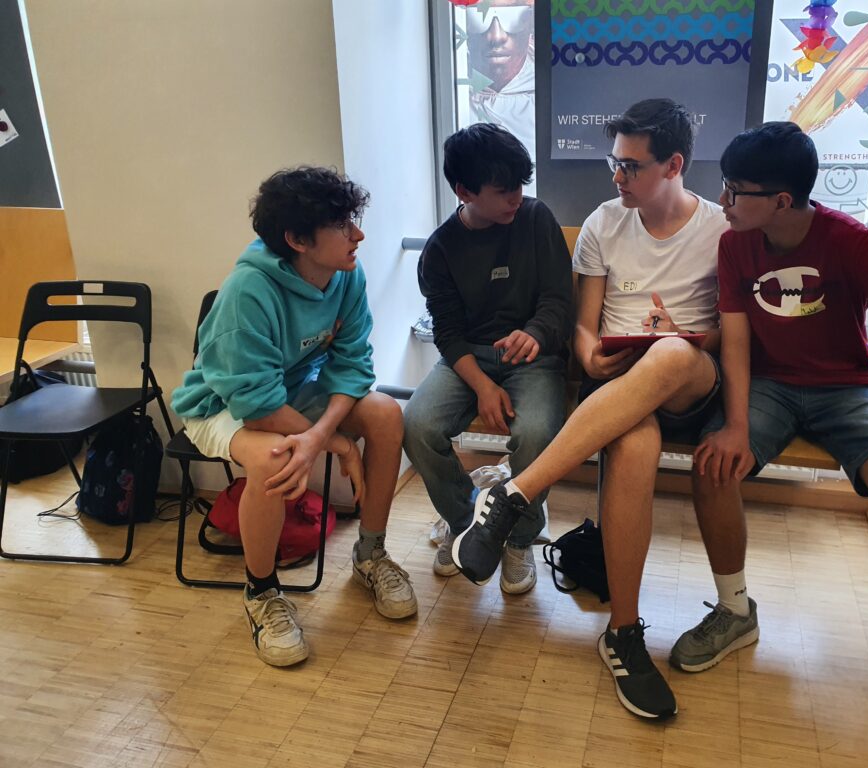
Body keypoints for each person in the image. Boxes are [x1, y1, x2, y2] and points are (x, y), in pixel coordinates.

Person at [675, 121, 868, 743]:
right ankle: (734, 611)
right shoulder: (736, 244)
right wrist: (736, 426)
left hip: (847, 389)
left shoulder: (850, 241)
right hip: (770, 386)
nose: (722, 200)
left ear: (782, 201)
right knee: (713, 465)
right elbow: (736, 341)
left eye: (735, 190)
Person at [451, 99, 728, 719]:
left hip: (692, 379)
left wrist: (682, 337)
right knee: (632, 444)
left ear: (673, 165)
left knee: (671, 354)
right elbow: (583, 324)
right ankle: (623, 633)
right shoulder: (606, 221)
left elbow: (728, 335)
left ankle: (514, 493)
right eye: (614, 163)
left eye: (631, 166)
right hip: (620, 386)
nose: (617, 176)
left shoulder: (718, 230)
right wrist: (589, 354)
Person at [171, 167, 417, 668]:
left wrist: (324, 435)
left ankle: (370, 554)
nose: (358, 235)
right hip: (223, 404)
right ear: (298, 241)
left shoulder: (346, 273)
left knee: (386, 414)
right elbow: (256, 405)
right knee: (273, 458)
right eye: (342, 225)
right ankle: (261, 593)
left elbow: (353, 365)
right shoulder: (248, 291)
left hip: (295, 391)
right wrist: (336, 443)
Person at [403, 123, 573, 595]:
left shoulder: (535, 219)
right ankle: (466, 525)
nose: (516, 197)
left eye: (520, 185)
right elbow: (448, 333)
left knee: (535, 433)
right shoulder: (440, 250)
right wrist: (482, 385)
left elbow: (559, 300)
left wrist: (534, 333)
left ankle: (519, 538)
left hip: (534, 358)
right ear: (464, 192)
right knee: (416, 424)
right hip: (468, 360)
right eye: (503, 191)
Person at [465, 0, 536, 187]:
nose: (496, 36)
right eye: (479, 17)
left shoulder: (552, 92)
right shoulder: (453, 92)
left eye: (513, 17)